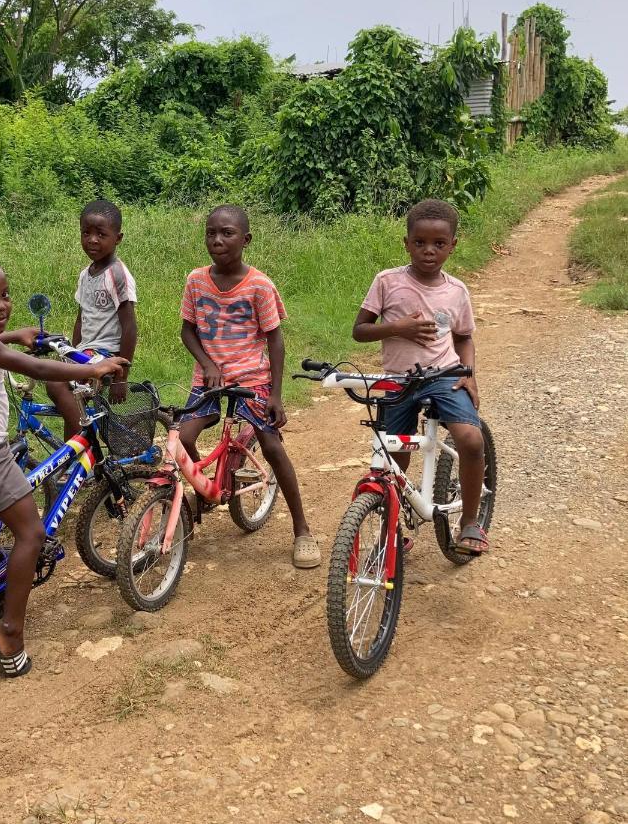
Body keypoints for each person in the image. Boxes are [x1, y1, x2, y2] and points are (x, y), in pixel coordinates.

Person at [0, 256, 128, 677]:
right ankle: (9, 630)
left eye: (4, 296)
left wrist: (15, 333)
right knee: (31, 533)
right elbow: (35, 367)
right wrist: (94, 366)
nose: (0, 305)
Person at [179, 204, 319, 569]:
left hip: (252, 378)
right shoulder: (195, 280)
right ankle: (205, 493)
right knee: (183, 439)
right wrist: (208, 364)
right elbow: (187, 330)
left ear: (246, 239)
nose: (217, 240)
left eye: (226, 233)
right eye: (211, 233)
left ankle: (302, 530)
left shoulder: (259, 285)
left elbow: (275, 340)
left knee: (271, 445)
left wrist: (275, 393)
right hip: (209, 378)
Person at [352, 198, 488, 555]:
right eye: (420, 242)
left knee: (471, 441)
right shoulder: (387, 282)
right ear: (407, 243)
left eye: (439, 244)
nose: (429, 251)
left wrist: (469, 374)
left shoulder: (456, 291)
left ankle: (471, 520)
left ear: (452, 246)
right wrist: (399, 328)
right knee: (393, 459)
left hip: (444, 375)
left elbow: (463, 336)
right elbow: (360, 330)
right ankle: (392, 528)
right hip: (398, 380)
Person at [46, 199, 138, 438]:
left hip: (106, 354)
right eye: (86, 233)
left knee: (57, 384)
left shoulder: (117, 274)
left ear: (117, 238)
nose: (92, 240)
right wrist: (71, 351)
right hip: (85, 351)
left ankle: (82, 441)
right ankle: (74, 457)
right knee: (58, 381)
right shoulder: (85, 274)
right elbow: (81, 317)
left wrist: (122, 375)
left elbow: (129, 326)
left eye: (101, 234)